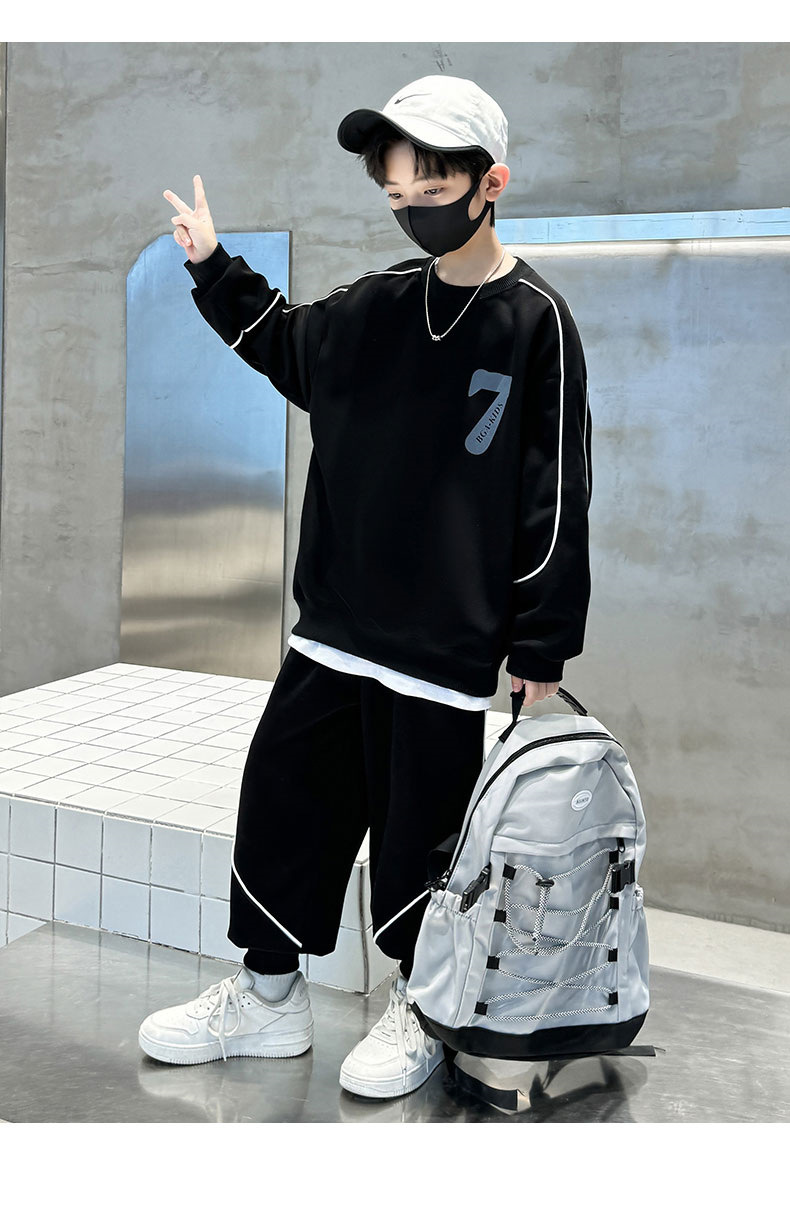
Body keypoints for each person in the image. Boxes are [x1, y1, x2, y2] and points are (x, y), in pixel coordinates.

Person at [138, 74, 592, 1100]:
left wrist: (541, 643)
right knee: (283, 806)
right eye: (395, 191)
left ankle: (419, 1004)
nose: (411, 205)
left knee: (421, 842)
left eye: (431, 187)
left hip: (443, 648)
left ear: (490, 184)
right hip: (334, 626)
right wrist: (212, 265)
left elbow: (555, 496)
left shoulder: (535, 323)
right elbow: (285, 343)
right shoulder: (377, 303)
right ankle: (267, 997)